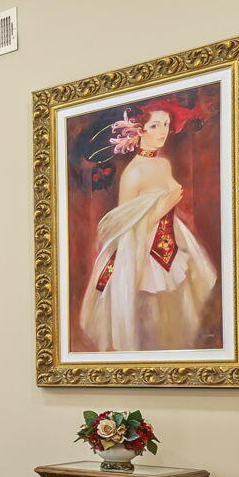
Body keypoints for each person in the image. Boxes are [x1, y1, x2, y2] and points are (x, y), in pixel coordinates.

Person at [78, 103, 217, 351]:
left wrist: (169, 203)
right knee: (146, 308)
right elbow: (124, 224)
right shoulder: (133, 173)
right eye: (155, 125)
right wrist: (164, 205)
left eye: (165, 124)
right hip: (140, 248)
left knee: (176, 306)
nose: (163, 131)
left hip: (170, 240)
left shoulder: (163, 164)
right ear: (139, 131)